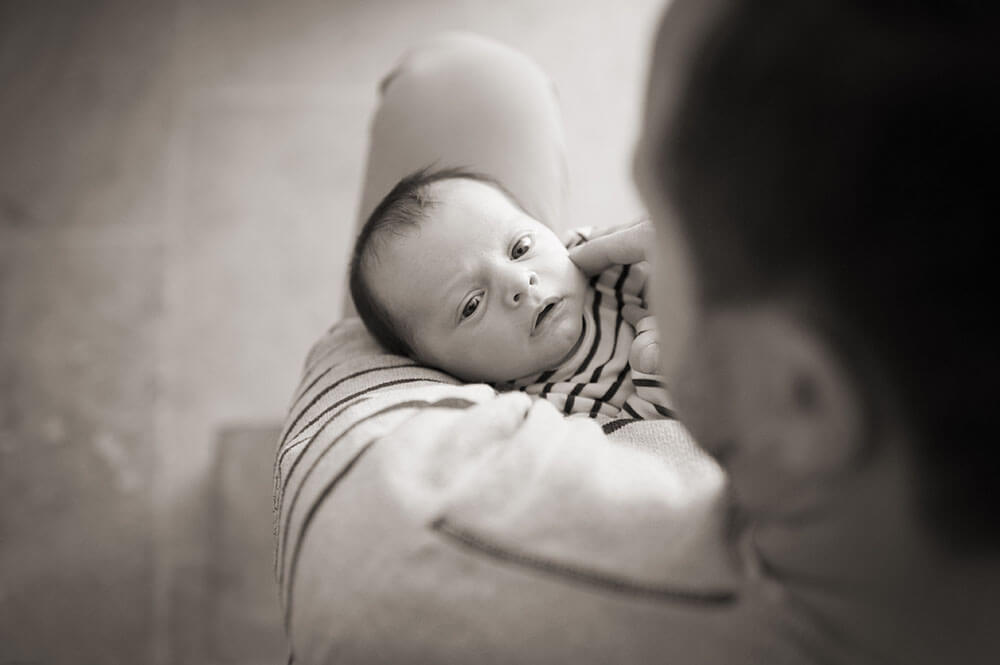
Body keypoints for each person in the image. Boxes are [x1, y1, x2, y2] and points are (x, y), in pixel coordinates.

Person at [274, 1, 1000, 661]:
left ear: (802, 396)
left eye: (667, 221)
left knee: (467, 84)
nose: (623, 241)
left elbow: (363, 466)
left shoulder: (428, 550)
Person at [349, 166, 669, 419]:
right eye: (472, 304)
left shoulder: (601, 259)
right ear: (431, 364)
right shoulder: (533, 412)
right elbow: (632, 460)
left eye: (521, 247)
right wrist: (660, 379)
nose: (519, 282)